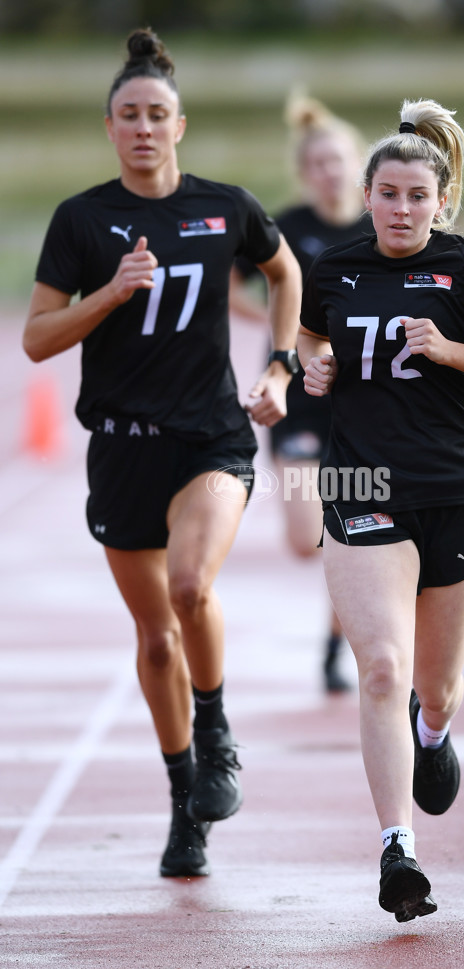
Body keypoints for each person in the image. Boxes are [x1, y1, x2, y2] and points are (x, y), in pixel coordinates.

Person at [22, 28, 301, 879]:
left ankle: (216, 732)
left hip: (211, 437)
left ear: (180, 126)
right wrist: (110, 292)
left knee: (190, 586)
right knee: (153, 641)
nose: (144, 127)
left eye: (158, 114)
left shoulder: (224, 206)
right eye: (128, 115)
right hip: (122, 448)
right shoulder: (82, 219)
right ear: (109, 128)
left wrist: (281, 367)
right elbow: (36, 339)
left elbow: (285, 275)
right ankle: (186, 801)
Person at [297, 98, 464, 922]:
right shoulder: (333, 268)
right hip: (361, 486)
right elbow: (310, 339)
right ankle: (396, 849)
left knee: (435, 688)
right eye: (389, 194)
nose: (402, 209)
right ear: (367, 196)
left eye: (418, 196)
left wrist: (450, 350)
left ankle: (435, 730)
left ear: (440, 200)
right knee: (382, 666)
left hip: (456, 489)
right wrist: (312, 368)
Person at [231, 93, 369, 692]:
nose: (329, 172)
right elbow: (228, 285)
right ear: (304, 172)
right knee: (306, 536)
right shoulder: (285, 228)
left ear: (357, 162)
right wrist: (278, 326)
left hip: (367, 398)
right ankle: (343, 623)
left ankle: (338, 643)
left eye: (337, 160)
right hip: (297, 395)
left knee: (352, 526)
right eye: (317, 163)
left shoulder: (381, 224)